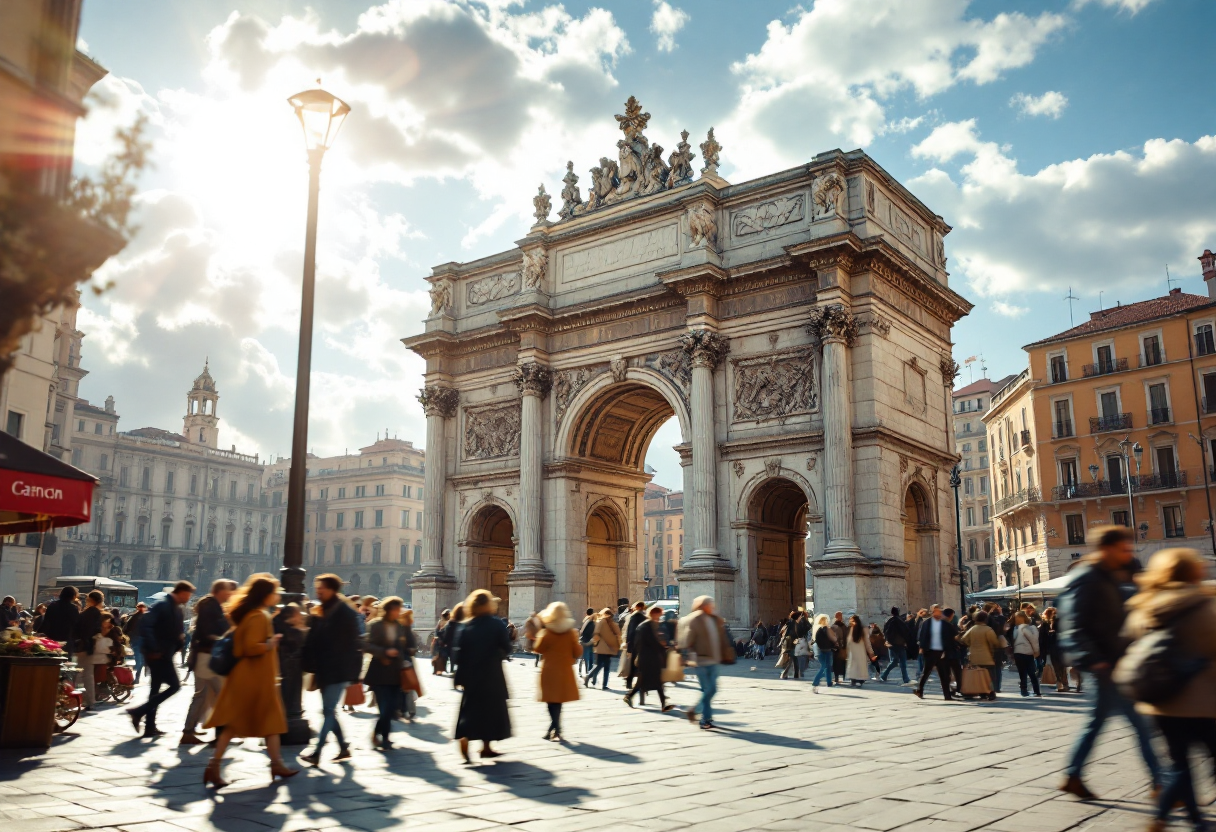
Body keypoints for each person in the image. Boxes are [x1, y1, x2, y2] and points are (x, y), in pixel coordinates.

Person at [1059, 525, 1162, 801]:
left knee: (1100, 724)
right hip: (1105, 666)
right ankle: (1161, 782)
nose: (1129, 553)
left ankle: (1073, 774)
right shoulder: (1088, 579)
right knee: (1140, 724)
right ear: (1106, 549)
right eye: (1124, 548)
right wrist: (1096, 661)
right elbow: (1073, 627)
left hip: (1117, 662)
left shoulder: (1117, 575)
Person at [1120, 548, 1216, 832]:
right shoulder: (1203, 605)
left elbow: (1127, 642)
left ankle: (1170, 818)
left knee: (1179, 763)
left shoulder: (1144, 606)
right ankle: (1176, 818)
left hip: (1160, 700)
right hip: (1202, 701)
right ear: (1192, 572)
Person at [202, 574, 298, 788]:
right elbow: (248, 647)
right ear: (266, 595)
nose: (277, 596)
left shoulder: (254, 614)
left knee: (270, 723)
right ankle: (214, 766)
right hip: (253, 678)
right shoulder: (258, 616)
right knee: (242, 723)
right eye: (275, 592)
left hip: (257, 677)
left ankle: (275, 764)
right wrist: (270, 644)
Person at [300, 574, 363, 766]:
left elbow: (354, 645)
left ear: (333, 590)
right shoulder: (320, 611)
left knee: (327, 710)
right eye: (317, 588)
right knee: (329, 711)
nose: (318, 591)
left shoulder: (345, 613)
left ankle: (318, 752)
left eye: (322, 588)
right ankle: (343, 747)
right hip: (323, 669)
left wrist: (354, 675)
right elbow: (312, 640)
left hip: (338, 670)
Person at [128, 581, 195, 738]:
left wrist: (179, 641)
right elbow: (147, 626)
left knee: (155, 689)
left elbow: (176, 631)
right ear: (182, 592)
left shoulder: (177, 608)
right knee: (175, 686)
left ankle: (149, 726)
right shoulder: (163, 605)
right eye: (188, 594)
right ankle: (139, 712)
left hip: (164, 653)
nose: (189, 598)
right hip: (158, 654)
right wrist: (154, 648)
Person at [453, 589, 512, 763]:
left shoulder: (466, 626)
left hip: (470, 675)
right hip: (492, 674)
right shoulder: (496, 624)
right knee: (491, 711)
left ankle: (464, 736)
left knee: (470, 709)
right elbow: (507, 648)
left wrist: (459, 676)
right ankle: (486, 747)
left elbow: (457, 654)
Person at [181, 579, 237, 745]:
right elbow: (206, 632)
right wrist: (223, 639)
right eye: (227, 591)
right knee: (217, 696)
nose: (229, 594)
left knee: (204, 696)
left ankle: (190, 731)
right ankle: (220, 733)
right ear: (220, 591)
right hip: (207, 657)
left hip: (205, 656)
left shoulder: (213, 606)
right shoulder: (211, 606)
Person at [363, 596, 417, 750]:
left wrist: (411, 649)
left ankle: (378, 733)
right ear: (387, 610)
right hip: (379, 672)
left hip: (396, 673)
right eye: (395, 609)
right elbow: (366, 645)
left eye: (399, 609)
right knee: (385, 708)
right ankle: (385, 738)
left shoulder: (401, 626)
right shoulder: (375, 625)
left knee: (392, 708)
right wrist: (384, 652)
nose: (398, 612)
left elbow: (410, 644)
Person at [678, 595, 732, 729]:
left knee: (709, 690)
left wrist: (727, 652)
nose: (712, 607)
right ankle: (703, 717)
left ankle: (702, 716)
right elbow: (688, 639)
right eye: (709, 604)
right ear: (702, 605)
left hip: (714, 659)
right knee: (709, 689)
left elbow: (722, 638)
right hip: (701, 659)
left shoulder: (715, 619)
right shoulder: (694, 619)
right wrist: (684, 654)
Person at [533, 602, 582, 741]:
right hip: (565, 670)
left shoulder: (547, 632)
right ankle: (555, 729)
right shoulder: (570, 633)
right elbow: (577, 651)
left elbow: (538, 649)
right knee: (558, 701)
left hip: (549, 671)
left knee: (550, 701)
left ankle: (555, 728)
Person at [626, 605, 675, 711]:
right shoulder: (645, 626)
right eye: (658, 614)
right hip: (647, 659)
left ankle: (629, 696)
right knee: (654, 682)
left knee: (650, 682)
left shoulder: (654, 625)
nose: (660, 617)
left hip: (653, 658)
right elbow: (646, 643)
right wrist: (661, 646)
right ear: (653, 613)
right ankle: (663, 704)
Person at [914, 606, 958, 701]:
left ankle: (947, 696)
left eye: (940, 613)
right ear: (933, 613)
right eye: (936, 613)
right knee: (926, 672)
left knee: (944, 675)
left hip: (942, 652)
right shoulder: (926, 623)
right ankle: (920, 690)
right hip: (930, 652)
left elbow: (952, 636)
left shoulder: (945, 624)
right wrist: (922, 648)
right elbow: (922, 636)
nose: (938, 615)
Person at [73, 590, 106, 709]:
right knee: (86, 674)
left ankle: (86, 699)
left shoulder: (87, 612)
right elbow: (95, 630)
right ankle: (88, 700)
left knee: (83, 673)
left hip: (82, 645)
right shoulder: (96, 613)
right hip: (88, 646)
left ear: (91, 600)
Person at [958, 610, 1000, 700]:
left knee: (978, 676)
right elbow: (995, 642)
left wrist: (971, 644)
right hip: (987, 657)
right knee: (990, 676)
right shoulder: (988, 630)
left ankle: (982, 691)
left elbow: (963, 639)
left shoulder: (972, 629)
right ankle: (991, 692)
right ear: (986, 619)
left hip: (974, 657)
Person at [586, 608, 620, 689]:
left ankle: (590, 678)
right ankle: (603, 684)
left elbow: (596, 634)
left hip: (602, 647)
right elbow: (618, 633)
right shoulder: (609, 623)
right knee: (604, 666)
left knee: (600, 665)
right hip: (608, 647)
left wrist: (595, 644)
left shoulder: (601, 622)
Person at [1010, 611, 1041, 697]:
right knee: (1031, 672)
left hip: (1017, 652)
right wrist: (1036, 651)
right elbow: (1034, 641)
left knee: (1022, 672)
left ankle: (1024, 690)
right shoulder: (1028, 628)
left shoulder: (1015, 629)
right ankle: (1036, 690)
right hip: (1027, 652)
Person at [1039, 606, 1070, 692]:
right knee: (1061, 666)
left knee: (1057, 666)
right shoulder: (1057, 623)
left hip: (1051, 648)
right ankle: (1063, 684)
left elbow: (1041, 639)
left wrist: (1042, 650)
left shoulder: (1045, 624)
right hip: (1059, 647)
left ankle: (1061, 684)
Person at [844, 615, 876, 687]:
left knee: (855, 665)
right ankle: (858, 680)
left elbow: (849, 642)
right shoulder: (857, 629)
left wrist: (870, 652)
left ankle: (855, 680)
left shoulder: (859, 629)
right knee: (858, 665)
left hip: (855, 651)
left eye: (851, 621)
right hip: (857, 651)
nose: (850, 622)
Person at [880, 607, 910, 683]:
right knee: (902, 663)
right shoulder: (900, 621)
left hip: (891, 645)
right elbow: (905, 632)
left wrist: (887, 641)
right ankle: (905, 678)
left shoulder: (888, 621)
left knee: (894, 661)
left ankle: (884, 675)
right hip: (900, 645)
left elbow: (885, 632)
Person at [622, 601, 646, 688]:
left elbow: (630, 632)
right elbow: (631, 632)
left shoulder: (635, 617)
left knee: (634, 664)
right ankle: (633, 682)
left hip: (635, 644)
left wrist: (629, 644)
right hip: (638, 644)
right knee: (636, 665)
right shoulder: (639, 617)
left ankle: (630, 682)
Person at [811, 614, 837, 691]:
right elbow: (831, 638)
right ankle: (815, 682)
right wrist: (834, 643)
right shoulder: (824, 628)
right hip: (825, 649)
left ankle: (829, 682)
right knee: (825, 666)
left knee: (827, 666)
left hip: (821, 649)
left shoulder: (816, 628)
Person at [123, 603, 148, 681]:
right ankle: (140, 673)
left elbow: (125, 629)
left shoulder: (133, 617)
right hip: (144, 641)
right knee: (141, 658)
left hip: (135, 640)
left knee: (138, 659)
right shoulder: (147, 617)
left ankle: (137, 677)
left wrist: (129, 636)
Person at [778, 614, 801, 680]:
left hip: (791, 644)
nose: (800, 618)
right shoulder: (792, 624)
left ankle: (796, 674)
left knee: (795, 659)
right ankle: (784, 674)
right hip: (790, 645)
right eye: (799, 617)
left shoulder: (792, 623)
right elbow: (790, 634)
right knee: (790, 660)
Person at [431, 609, 451, 675]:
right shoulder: (446, 622)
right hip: (442, 642)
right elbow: (438, 631)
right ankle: (439, 670)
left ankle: (437, 670)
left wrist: (437, 638)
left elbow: (436, 631)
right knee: (442, 656)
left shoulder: (441, 621)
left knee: (439, 656)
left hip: (439, 641)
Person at [578, 607, 597, 676]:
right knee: (587, 658)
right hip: (587, 642)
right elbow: (590, 632)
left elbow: (581, 631)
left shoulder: (585, 620)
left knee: (583, 657)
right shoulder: (591, 622)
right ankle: (587, 672)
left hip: (584, 641)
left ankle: (581, 671)